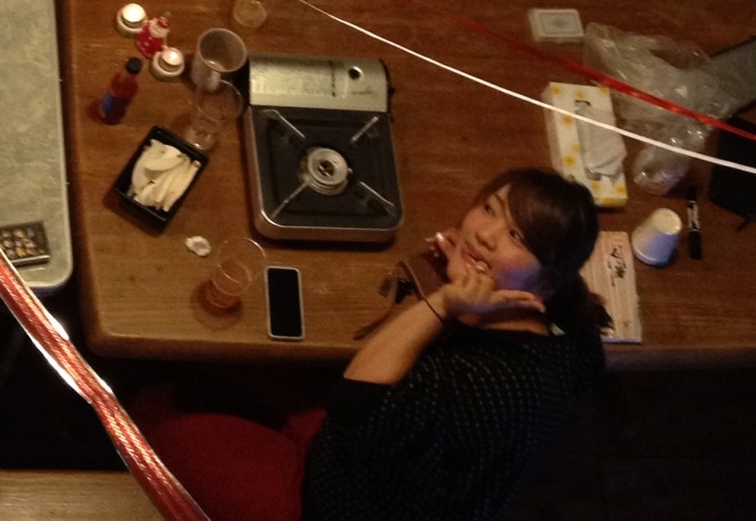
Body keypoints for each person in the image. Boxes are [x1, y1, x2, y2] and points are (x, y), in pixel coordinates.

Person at [127, 168, 609, 521]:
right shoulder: (568, 340)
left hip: (329, 501)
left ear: (547, 283)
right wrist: (464, 279)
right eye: (490, 209)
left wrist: (444, 300)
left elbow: (352, 401)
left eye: (516, 237)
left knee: (153, 409)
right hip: (381, 457)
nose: (484, 235)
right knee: (225, 365)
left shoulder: (472, 384)